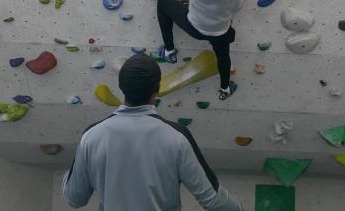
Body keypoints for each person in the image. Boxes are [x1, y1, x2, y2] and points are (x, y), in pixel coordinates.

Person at [62, 53, 244, 211]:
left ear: (121, 86)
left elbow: (74, 199)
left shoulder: (92, 136)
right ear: (157, 88)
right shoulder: (177, 137)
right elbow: (212, 200)